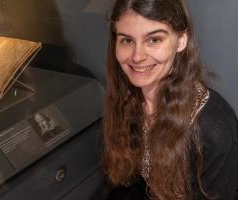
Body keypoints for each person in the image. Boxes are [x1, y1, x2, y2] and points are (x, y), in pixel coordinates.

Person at [102, 0, 238, 199]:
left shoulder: (214, 131)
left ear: (181, 40)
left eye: (154, 40)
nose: (137, 56)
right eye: (127, 40)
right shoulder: (128, 97)